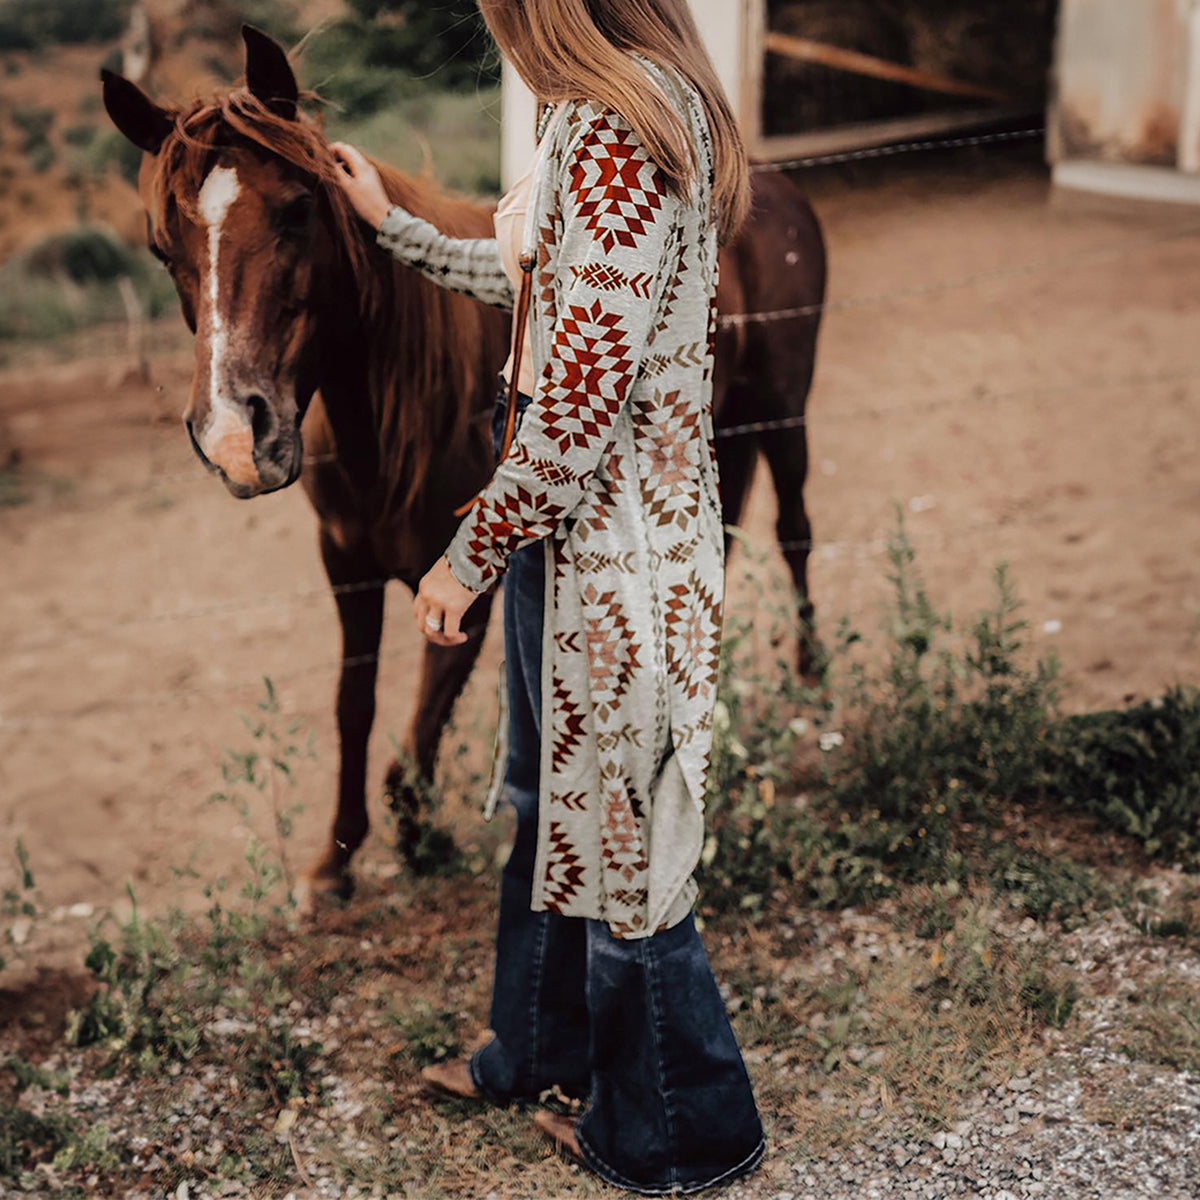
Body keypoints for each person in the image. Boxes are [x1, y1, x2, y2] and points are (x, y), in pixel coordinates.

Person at [332, 0, 762, 1191]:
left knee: (632, 838)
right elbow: (539, 284)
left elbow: (577, 397)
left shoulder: (624, 127)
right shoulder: (598, 113)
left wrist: (470, 554)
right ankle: (537, 1050)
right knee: (552, 799)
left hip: (620, 549)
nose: (496, 31)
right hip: (572, 543)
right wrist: (392, 225)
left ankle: (685, 1134)